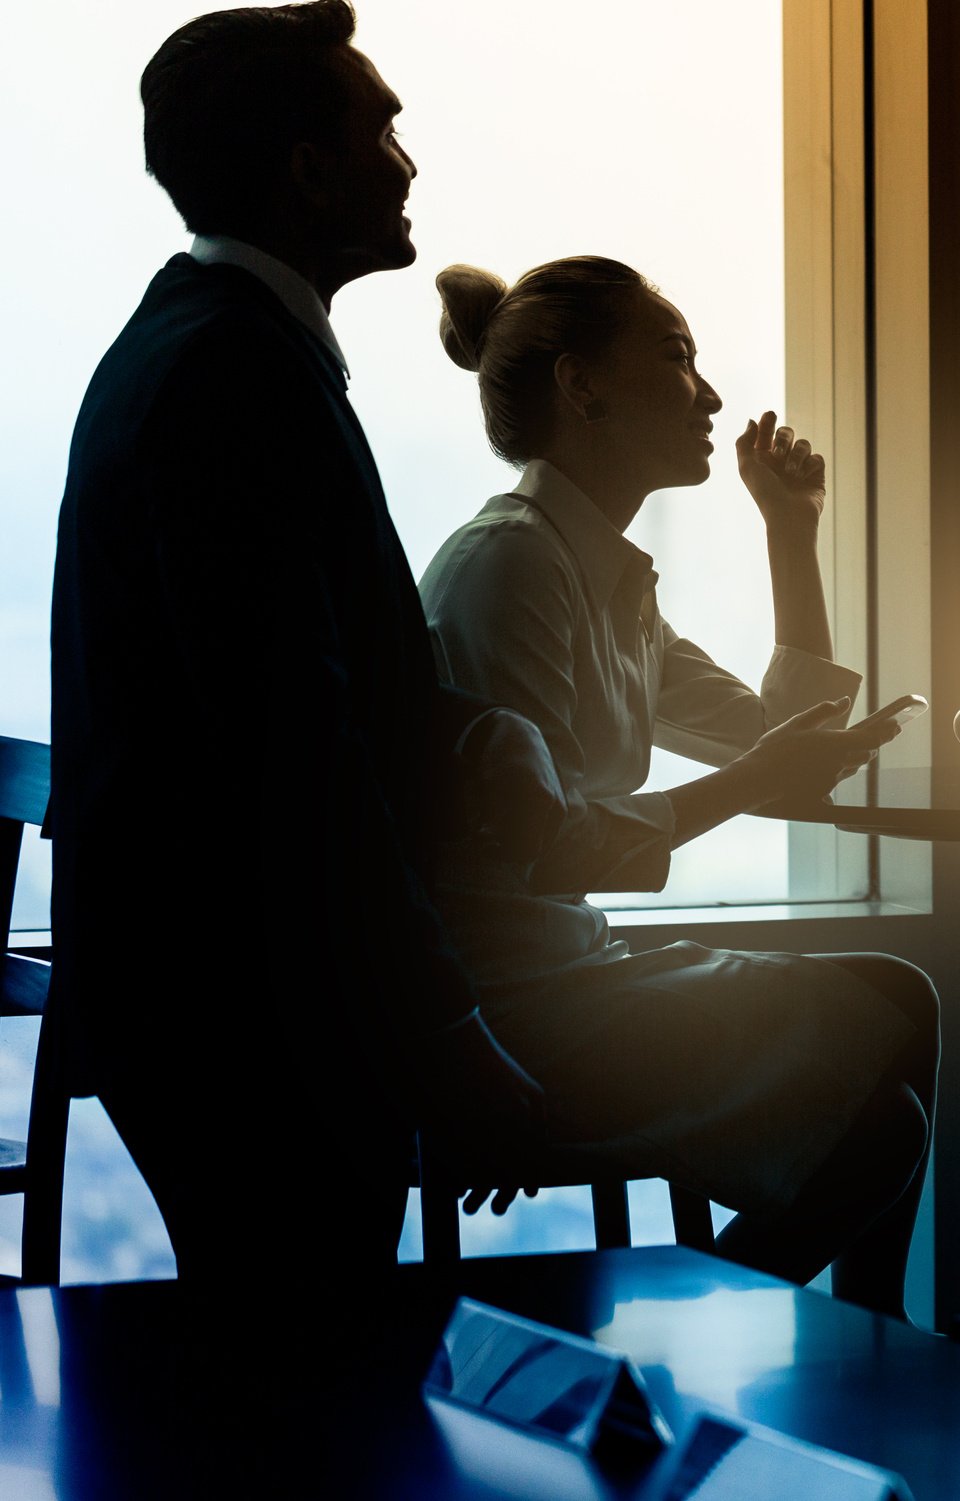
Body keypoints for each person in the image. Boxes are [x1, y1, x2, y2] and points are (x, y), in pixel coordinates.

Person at [48, 0, 560, 1291]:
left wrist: (466, 730)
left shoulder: (198, 351)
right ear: (308, 168)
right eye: (379, 127)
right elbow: (299, 754)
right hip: (253, 1017)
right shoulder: (238, 378)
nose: (407, 160)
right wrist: (442, 1028)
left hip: (210, 1000)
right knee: (304, 1388)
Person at [417, 256, 938, 1317]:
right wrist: (751, 779)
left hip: (567, 969)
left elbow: (786, 753)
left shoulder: (600, 575)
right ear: (581, 385)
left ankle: (819, 1339)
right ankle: (749, 1338)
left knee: (901, 1003)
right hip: (504, 1007)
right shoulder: (510, 568)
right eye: (675, 358)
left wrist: (791, 536)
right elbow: (550, 847)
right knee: (885, 1114)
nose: (707, 394)